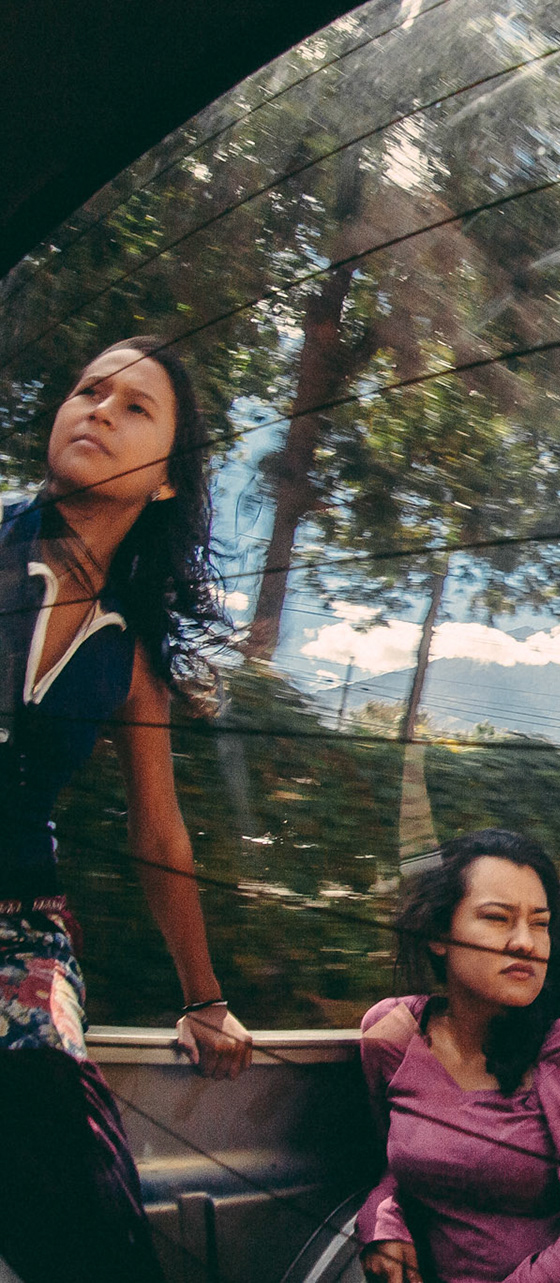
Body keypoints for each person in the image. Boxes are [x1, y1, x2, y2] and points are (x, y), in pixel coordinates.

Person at [0, 338, 252, 1281]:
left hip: (15, 927)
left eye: (134, 406)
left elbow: (159, 832)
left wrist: (206, 999)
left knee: (77, 1183)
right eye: (86, 388)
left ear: (164, 485)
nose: (98, 408)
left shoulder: (128, 650)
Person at [358, 829, 560, 1283]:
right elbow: (395, 1166)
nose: (525, 942)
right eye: (499, 918)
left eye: (540, 923)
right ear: (438, 936)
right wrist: (382, 1223)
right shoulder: (392, 1035)